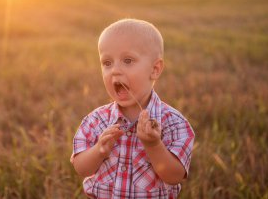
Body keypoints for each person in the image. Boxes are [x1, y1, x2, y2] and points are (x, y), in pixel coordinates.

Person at [70, 19, 195, 198]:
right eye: (107, 63)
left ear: (155, 69)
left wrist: (153, 145)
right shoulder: (96, 121)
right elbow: (81, 168)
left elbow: (174, 176)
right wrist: (99, 151)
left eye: (127, 60)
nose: (115, 70)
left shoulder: (174, 123)